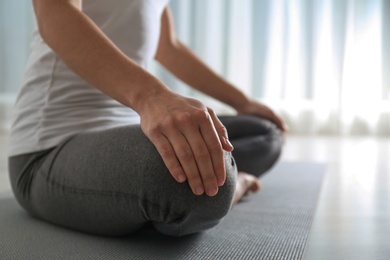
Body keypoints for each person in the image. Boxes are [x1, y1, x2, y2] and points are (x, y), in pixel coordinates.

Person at [8, 0, 286, 237]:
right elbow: (55, 12)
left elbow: (169, 46)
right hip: (49, 149)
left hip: (127, 131)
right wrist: (152, 98)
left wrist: (242, 102)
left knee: (265, 133)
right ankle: (234, 181)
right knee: (194, 185)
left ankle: (218, 175)